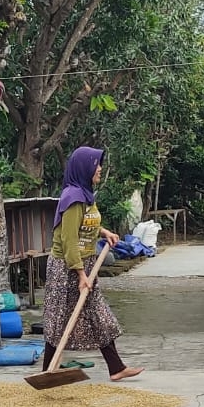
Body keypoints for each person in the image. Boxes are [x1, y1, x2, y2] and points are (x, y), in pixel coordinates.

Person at [42, 146, 143, 381]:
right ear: (84, 168)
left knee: (98, 315)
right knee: (60, 318)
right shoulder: (73, 198)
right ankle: (47, 371)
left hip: (85, 265)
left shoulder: (86, 196)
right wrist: (80, 274)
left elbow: (87, 224)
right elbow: (68, 239)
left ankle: (116, 367)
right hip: (66, 268)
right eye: (96, 164)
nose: (100, 169)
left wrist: (104, 232)